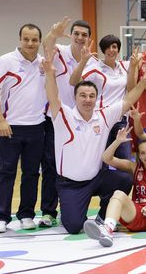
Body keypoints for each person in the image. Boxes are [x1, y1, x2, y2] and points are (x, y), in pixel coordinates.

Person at [43, 45, 146, 234]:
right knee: (74, 227)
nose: (87, 99)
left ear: (96, 98)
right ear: (75, 97)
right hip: (70, 183)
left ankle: (103, 216)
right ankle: (72, 211)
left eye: (92, 96)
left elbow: (128, 100)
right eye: (83, 95)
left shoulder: (103, 116)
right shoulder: (63, 115)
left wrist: (144, 81)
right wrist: (50, 74)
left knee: (124, 180)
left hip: (96, 179)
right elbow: (53, 96)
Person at [39, 17, 98, 228]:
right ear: (71, 35)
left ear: (89, 38)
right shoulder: (60, 51)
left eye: (84, 35)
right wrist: (54, 32)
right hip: (56, 118)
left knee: (77, 166)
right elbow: (46, 44)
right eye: (77, 34)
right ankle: (48, 211)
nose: (81, 38)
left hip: (80, 121)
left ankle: (72, 206)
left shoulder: (92, 61)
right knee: (51, 165)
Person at [0, 23, 46, 233]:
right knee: (7, 172)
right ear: (20, 39)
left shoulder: (43, 63)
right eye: (26, 39)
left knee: (31, 174)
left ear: (40, 41)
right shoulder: (6, 61)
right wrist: (1, 120)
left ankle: (27, 214)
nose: (30, 44)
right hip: (9, 127)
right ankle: (1, 217)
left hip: (37, 127)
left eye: (34, 40)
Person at [69, 34, 134, 161]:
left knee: (124, 160)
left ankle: (124, 182)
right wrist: (83, 61)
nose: (111, 50)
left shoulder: (124, 66)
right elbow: (73, 82)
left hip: (121, 120)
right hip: (102, 119)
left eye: (114, 47)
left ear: (118, 49)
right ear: (103, 50)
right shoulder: (95, 68)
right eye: (107, 47)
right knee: (99, 161)